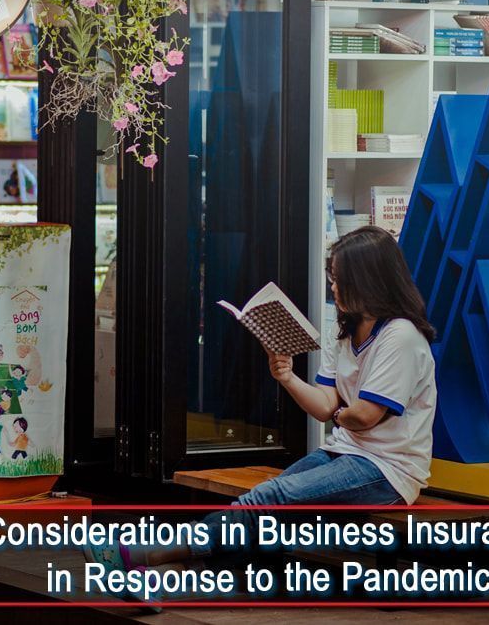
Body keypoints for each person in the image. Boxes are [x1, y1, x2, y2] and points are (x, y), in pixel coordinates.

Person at [90, 226, 438, 573]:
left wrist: (340, 412)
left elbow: (363, 416)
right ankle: (162, 571)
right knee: (269, 507)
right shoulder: (346, 329)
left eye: (339, 279)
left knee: (269, 499)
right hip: (344, 452)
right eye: (332, 277)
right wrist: (286, 377)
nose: (333, 286)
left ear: (368, 281)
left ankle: (150, 556)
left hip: (387, 470)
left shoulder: (400, 337)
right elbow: (324, 407)